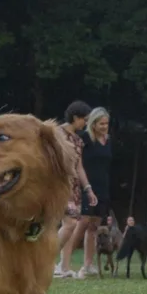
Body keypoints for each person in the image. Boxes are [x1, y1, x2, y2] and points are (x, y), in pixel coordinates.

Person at [54, 101, 98, 279]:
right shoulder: (56, 134)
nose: (86, 124)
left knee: (70, 227)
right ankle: (45, 260)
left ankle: (63, 267)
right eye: (84, 120)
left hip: (75, 187)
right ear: (75, 118)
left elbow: (79, 167)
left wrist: (88, 188)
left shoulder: (79, 140)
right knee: (71, 223)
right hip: (59, 184)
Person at [75, 107, 112, 279]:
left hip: (103, 186)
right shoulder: (84, 139)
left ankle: (88, 265)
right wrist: (86, 187)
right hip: (87, 185)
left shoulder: (108, 140)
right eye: (101, 123)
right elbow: (78, 164)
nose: (105, 126)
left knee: (94, 227)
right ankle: (64, 262)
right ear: (93, 123)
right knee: (82, 223)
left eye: (107, 123)